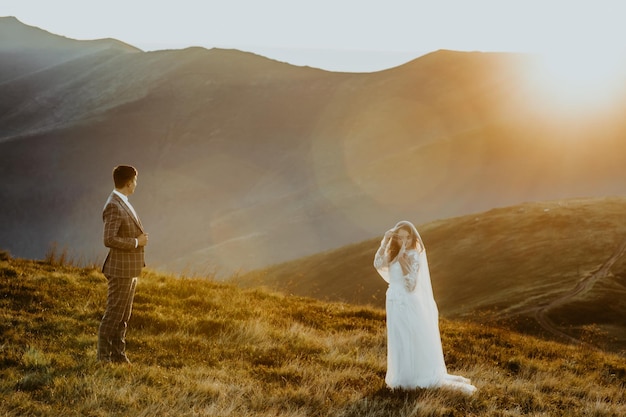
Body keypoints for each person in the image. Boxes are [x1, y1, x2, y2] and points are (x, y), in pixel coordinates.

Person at [374, 220, 476, 394]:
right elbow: (378, 264)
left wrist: (403, 261)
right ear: (396, 238)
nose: (404, 241)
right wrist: (385, 241)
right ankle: (401, 378)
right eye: (400, 238)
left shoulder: (413, 254)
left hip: (407, 302)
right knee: (398, 338)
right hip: (393, 300)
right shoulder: (392, 252)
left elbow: (411, 285)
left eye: (407, 237)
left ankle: (416, 377)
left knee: (410, 338)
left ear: (412, 238)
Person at [97, 165, 148, 364]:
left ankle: (118, 355)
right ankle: (103, 359)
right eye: (135, 180)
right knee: (113, 315)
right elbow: (108, 239)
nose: (136, 184)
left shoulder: (122, 201)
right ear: (129, 182)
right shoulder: (114, 205)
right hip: (120, 270)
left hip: (129, 270)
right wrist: (137, 242)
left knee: (123, 315)